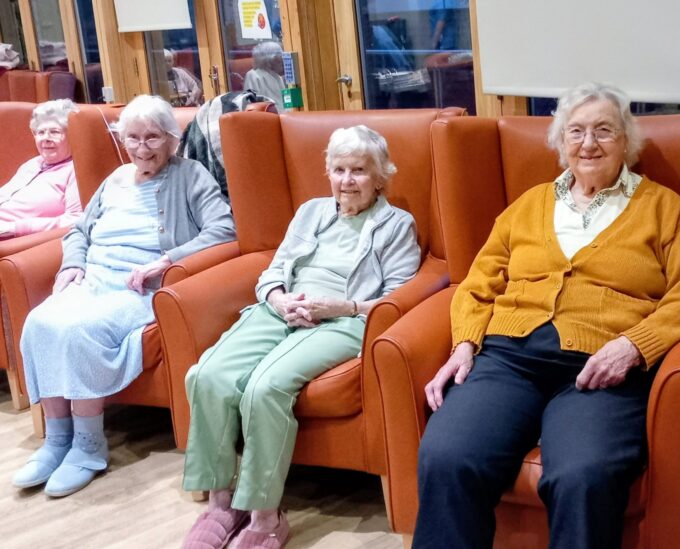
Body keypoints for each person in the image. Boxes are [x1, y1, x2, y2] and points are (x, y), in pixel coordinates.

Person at [414, 82, 680, 549]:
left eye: (604, 130)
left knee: (584, 475)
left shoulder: (662, 208)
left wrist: (635, 345)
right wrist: (465, 344)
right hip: (508, 361)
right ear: (560, 142)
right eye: (575, 131)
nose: (589, 143)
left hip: (601, 369)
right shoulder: (527, 205)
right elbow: (478, 282)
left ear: (626, 141)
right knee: (447, 454)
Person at [180, 125, 419, 549]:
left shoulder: (397, 224)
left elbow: (396, 299)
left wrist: (340, 306)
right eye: (339, 169)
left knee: (265, 387)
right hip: (285, 307)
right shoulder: (310, 211)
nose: (347, 181)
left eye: (359, 170)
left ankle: (265, 515)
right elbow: (276, 266)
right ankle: (221, 503)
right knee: (206, 374)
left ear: (380, 176)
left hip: (345, 318)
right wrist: (277, 297)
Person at [12, 95, 236, 498]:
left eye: (152, 137)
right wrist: (72, 265)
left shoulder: (190, 175)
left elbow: (223, 230)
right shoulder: (114, 179)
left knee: (79, 330)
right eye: (132, 138)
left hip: (141, 287)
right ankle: (57, 439)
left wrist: (165, 261)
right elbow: (79, 230)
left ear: (171, 139)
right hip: (94, 278)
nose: (141, 147)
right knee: (40, 322)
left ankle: (88, 446)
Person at [0, 99, 81, 239]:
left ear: (72, 135)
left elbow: (75, 219)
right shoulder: (33, 164)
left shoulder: (76, 170)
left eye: (54, 132)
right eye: (40, 132)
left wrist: (14, 228)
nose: (46, 138)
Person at [243, 41, 285, 107]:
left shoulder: (278, 77)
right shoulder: (253, 75)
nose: (283, 58)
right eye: (279, 54)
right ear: (268, 59)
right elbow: (252, 104)